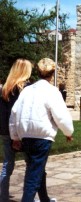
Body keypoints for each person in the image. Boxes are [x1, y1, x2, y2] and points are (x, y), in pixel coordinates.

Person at [9, 58, 74, 202]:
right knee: (34, 173)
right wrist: (68, 132)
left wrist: (15, 137)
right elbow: (61, 116)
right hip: (42, 138)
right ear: (52, 73)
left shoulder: (27, 90)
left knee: (37, 169)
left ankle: (44, 198)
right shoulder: (52, 91)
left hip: (26, 135)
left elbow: (14, 113)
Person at [0, 59, 32, 202]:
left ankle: (3, 196)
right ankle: (28, 196)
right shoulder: (25, 88)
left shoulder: (5, 87)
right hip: (21, 131)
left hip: (6, 130)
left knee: (8, 164)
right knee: (30, 164)